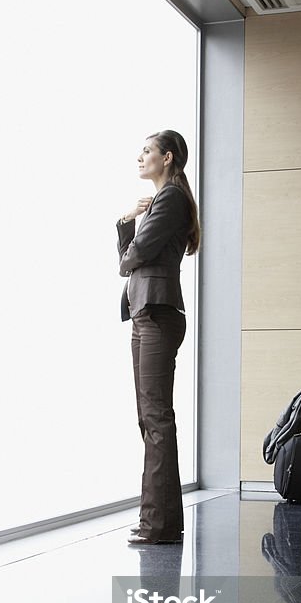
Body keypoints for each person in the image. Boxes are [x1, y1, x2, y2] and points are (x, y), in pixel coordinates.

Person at [116, 130, 200, 543]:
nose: (140, 156)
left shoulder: (171, 198)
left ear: (167, 158)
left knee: (157, 420)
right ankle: (161, 520)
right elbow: (132, 254)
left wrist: (131, 236)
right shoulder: (160, 202)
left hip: (158, 314)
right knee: (150, 420)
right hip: (146, 314)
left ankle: (159, 524)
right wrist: (126, 222)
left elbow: (137, 255)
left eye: (147, 150)